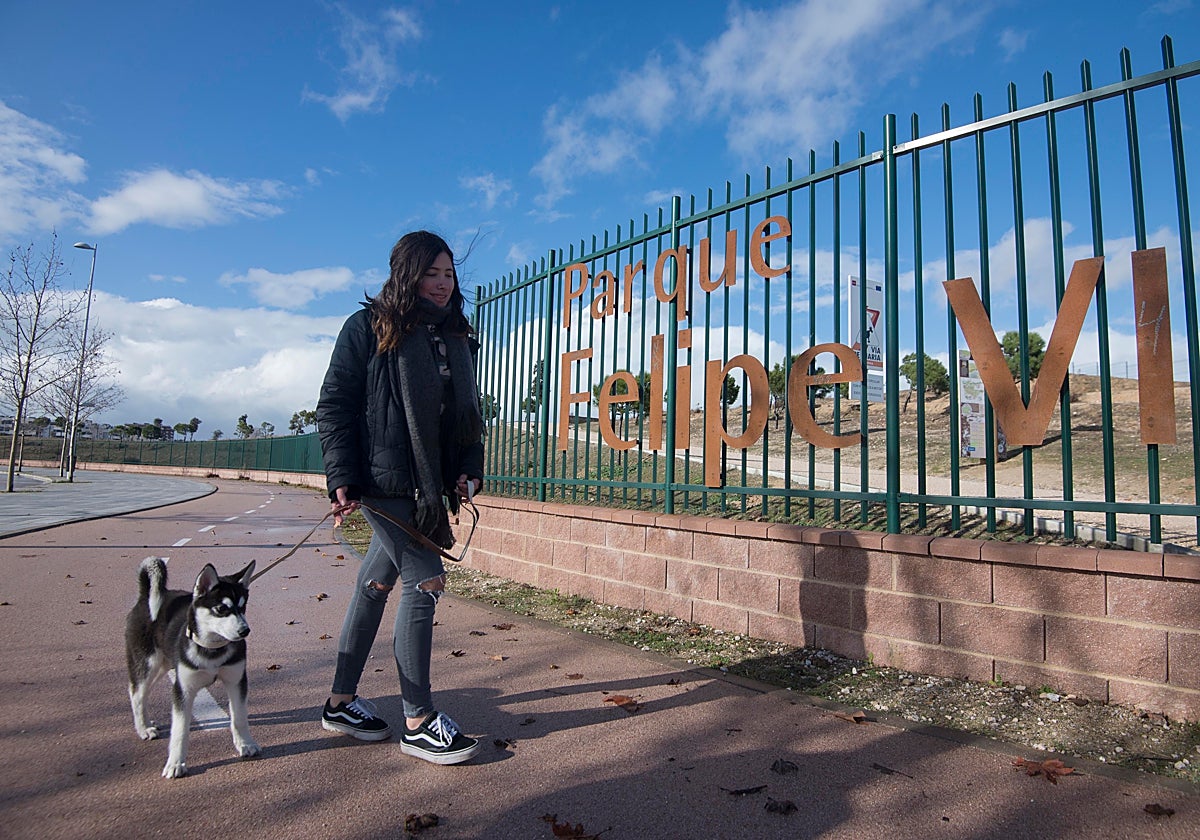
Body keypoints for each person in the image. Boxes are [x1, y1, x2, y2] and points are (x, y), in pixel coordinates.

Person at [315, 230, 484, 765]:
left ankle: (341, 703)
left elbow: (464, 417)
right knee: (425, 580)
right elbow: (335, 404)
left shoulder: (455, 335)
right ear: (406, 274)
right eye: (431, 273)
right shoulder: (367, 328)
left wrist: (467, 470)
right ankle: (419, 720)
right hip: (383, 481)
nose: (441, 283)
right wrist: (341, 472)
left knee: (375, 583)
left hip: (429, 485)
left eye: (448, 273)